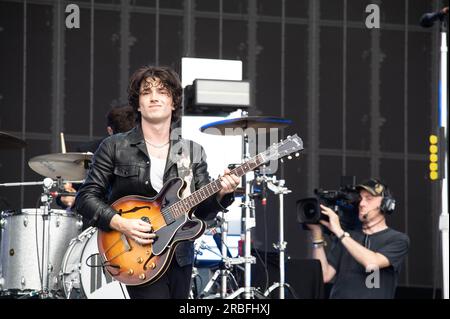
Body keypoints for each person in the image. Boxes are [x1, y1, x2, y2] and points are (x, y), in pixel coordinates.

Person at [74, 65, 240, 299]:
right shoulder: (114, 146)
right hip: (136, 252)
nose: (153, 97)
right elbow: (85, 198)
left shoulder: (192, 151)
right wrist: (121, 223)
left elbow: (202, 210)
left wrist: (222, 194)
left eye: (162, 91)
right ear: (138, 104)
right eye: (146, 92)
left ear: (173, 103)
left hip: (180, 256)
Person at [307, 178, 409, 299]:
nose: (361, 204)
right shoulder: (347, 236)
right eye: (360, 198)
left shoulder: (398, 239)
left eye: (369, 198)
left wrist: (340, 232)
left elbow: (372, 262)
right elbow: (324, 275)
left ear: (385, 205)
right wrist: (317, 236)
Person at [58, 105, 136, 208]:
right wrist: (66, 197)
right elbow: (76, 191)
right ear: (110, 131)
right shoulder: (87, 152)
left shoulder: (149, 150)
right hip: (98, 214)